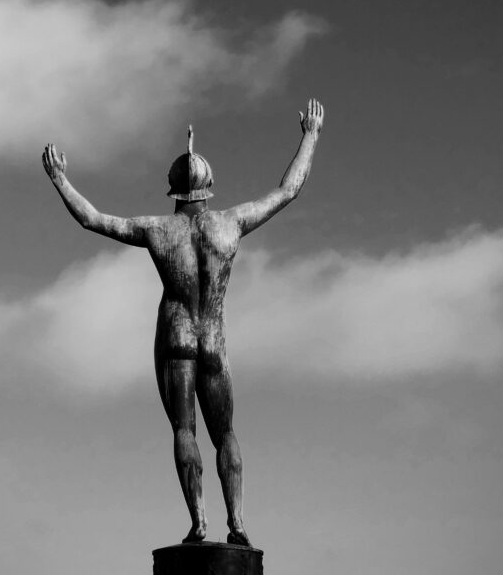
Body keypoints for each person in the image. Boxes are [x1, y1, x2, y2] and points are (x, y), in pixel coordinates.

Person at [41, 99, 324, 546]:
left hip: (175, 339)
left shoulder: (157, 229)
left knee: (184, 430)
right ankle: (238, 523)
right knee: (226, 433)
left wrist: (60, 179)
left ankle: (200, 523)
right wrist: (309, 135)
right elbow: (288, 191)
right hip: (213, 339)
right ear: (209, 187)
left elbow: (91, 218)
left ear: (171, 189)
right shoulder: (231, 224)